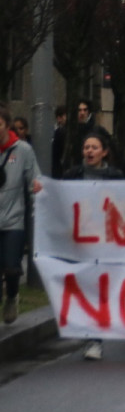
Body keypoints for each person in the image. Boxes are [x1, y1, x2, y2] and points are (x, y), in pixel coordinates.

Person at [63, 132, 124, 359]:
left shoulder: (116, 177)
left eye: (94, 147)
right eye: (86, 147)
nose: (89, 151)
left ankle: (95, 340)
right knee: (85, 285)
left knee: (98, 288)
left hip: (106, 240)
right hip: (79, 240)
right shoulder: (72, 175)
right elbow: (59, 198)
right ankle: (90, 332)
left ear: (104, 152)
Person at [0, 104, 42, 325]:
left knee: (11, 268)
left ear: (7, 125)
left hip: (13, 219)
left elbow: (34, 179)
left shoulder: (23, 150)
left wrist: (38, 196)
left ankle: (12, 296)